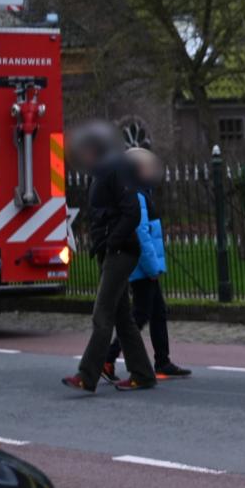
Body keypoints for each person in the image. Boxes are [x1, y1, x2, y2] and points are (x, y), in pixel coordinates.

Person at [62, 121, 158, 393]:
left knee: (102, 314)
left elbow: (132, 211)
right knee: (122, 318)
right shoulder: (104, 170)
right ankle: (142, 373)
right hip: (113, 249)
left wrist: (113, 242)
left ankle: (87, 375)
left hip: (120, 251)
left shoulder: (115, 168)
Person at [101, 148, 190, 383]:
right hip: (142, 267)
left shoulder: (142, 191)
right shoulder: (137, 195)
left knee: (157, 312)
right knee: (139, 315)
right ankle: (108, 358)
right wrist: (152, 267)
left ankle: (162, 360)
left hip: (145, 264)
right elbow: (141, 233)